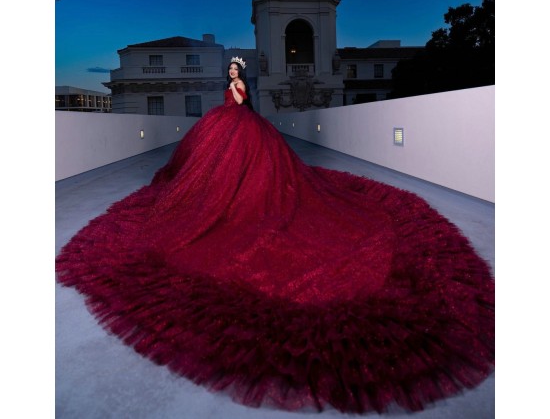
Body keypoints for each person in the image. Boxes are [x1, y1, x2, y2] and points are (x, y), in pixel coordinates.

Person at [56, 56, 494, 414]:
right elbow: (232, 104)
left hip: (241, 125)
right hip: (226, 124)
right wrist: (228, 104)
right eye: (230, 73)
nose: (232, 76)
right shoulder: (228, 90)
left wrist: (236, 99)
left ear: (240, 77)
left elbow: (241, 105)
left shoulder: (242, 91)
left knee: (263, 184)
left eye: (235, 73)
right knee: (206, 178)